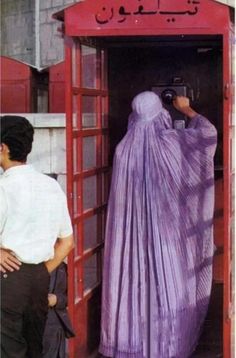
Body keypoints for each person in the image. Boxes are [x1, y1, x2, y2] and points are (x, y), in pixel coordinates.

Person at [99, 93, 217, 358]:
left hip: (128, 236)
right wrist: (187, 110)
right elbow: (208, 135)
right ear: (160, 113)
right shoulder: (171, 143)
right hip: (166, 235)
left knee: (132, 285)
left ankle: (129, 344)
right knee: (166, 283)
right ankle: (165, 347)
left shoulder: (122, 148)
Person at [0, 115, 74, 358]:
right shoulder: (50, 185)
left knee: (9, 350)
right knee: (35, 349)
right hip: (39, 280)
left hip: (6, 279)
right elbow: (67, 241)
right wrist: (43, 270)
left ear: (3, 148)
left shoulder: (3, 187)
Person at [43, 262, 75, 358]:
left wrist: (57, 299)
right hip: (32, 322)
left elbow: (71, 296)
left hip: (55, 325)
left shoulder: (63, 267)